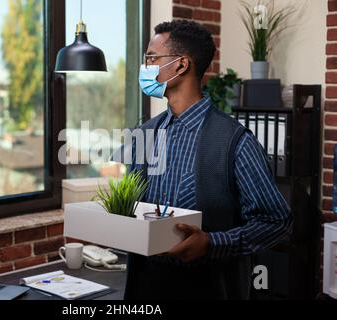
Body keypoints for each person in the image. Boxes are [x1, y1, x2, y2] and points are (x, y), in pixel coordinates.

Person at [124, 20, 292, 300]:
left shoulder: (235, 141)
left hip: (206, 288)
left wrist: (213, 242)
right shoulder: (144, 134)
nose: (145, 66)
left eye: (152, 58)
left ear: (181, 65)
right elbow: (134, 207)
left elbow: (277, 221)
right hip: (144, 286)